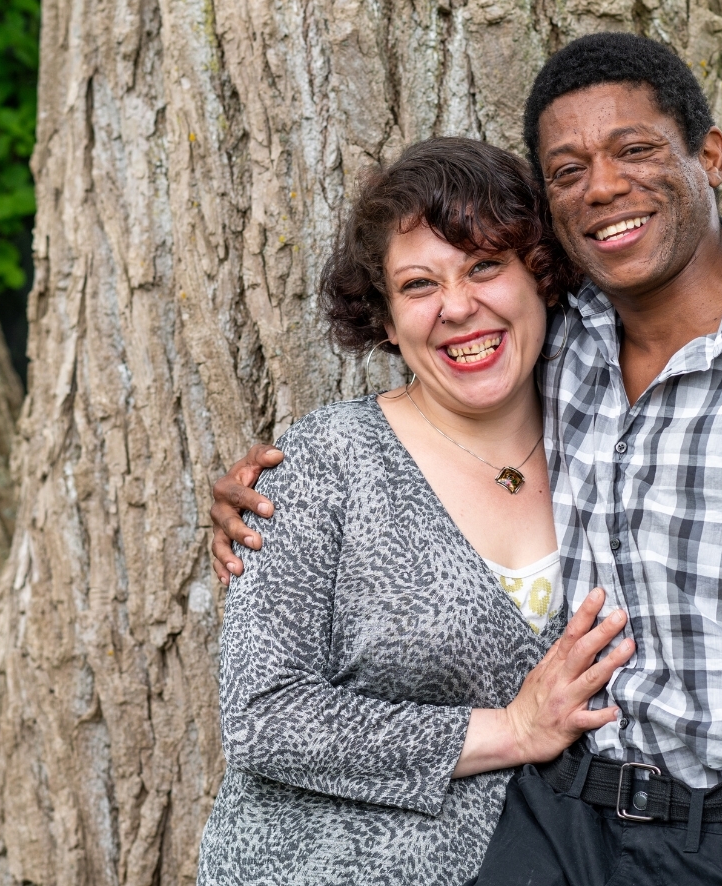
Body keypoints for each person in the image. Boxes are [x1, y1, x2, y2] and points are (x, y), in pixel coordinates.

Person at [210, 34, 722, 886]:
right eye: (568, 171)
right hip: (562, 827)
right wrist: (262, 493)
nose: (602, 187)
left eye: (635, 150)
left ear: (711, 156)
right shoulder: (571, 343)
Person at [195, 137, 636, 886]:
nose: (458, 307)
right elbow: (261, 717)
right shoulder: (322, 463)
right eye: (419, 285)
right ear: (388, 321)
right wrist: (512, 730)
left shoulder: (611, 449)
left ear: (542, 277)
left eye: (485, 266)